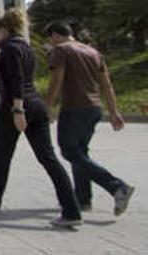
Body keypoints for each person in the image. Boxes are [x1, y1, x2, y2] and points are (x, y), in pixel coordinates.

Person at [0, 9, 81, 228]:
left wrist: (17, 110)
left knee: (2, 155)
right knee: (48, 158)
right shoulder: (26, 48)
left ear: (3, 29)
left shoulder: (9, 49)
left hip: (15, 107)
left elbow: (16, 79)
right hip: (37, 105)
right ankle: (71, 209)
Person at [45, 21, 135, 216]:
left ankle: (117, 187)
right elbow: (107, 84)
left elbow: (56, 80)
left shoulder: (61, 50)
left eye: (50, 39)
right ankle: (83, 200)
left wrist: (48, 107)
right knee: (80, 152)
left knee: (70, 152)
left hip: (74, 108)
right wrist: (113, 111)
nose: (50, 44)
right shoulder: (93, 52)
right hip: (94, 109)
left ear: (54, 35)